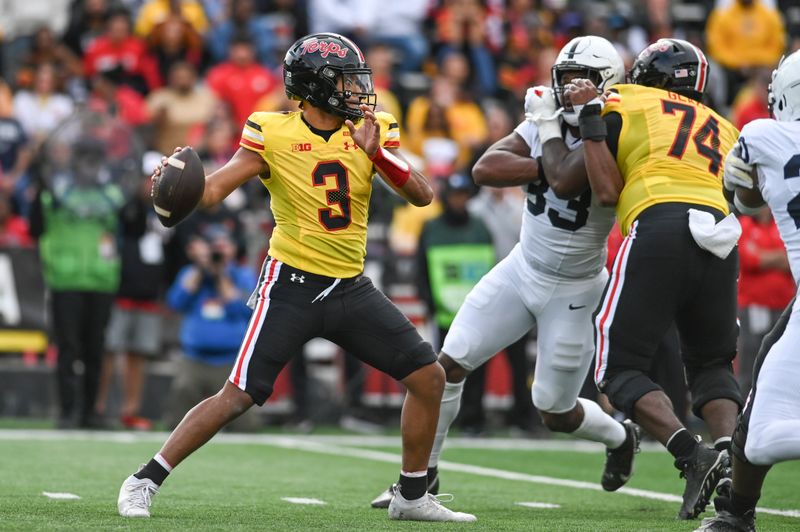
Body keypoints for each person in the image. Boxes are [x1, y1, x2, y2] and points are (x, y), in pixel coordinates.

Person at [117, 32, 475, 523]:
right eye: (346, 80)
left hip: (350, 286)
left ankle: (411, 496)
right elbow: (214, 191)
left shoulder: (373, 129)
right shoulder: (273, 131)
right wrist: (177, 184)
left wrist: (378, 155)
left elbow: (422, 195)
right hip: (291, 286)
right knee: (238, 395)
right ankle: (144, 480)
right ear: (317, 85)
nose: (357, 89)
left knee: (428, 378)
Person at [371, 36, 641, 510]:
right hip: (523, 267)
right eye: (565, 77)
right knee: (446, 366)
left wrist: (544, 147)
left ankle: (620, 436)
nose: (571, 88)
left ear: (608, 83)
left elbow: (563, 178)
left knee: (554, 410)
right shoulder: (544, 122)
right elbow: (485, 168)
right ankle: (421, 479)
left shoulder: (613, 132)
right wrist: (539, 153)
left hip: (574, 288)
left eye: (583, 79)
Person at [542, 38, 743, 519]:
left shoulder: (627, 100)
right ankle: (730, 458)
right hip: (721, 232)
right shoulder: (727, 127)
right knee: (713, 362)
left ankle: (691, 456)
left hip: (660, 224)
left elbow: (600, 189)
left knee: (618, 367)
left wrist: (583, 119)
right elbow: (744, 195)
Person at [695, 49, 800, 532]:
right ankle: (737, 512)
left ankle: (737, 512)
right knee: (760, 427)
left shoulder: (761, 133)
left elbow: (744, 197)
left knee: (761, 430)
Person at [29, 136, 124, 429]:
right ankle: (68, 411)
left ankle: (90, 411)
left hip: (101, 280)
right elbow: (36, 227)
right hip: (65, 279)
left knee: (95, 348)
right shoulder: (57, 192)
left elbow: (131, 226)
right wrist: (40, 188)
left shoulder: (111, 195)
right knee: (68, 347)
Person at [415, 174, 495, 435]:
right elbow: (421, 268)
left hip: (476, 312)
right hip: (443, 313)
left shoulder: (481, 227)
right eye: (455, 196)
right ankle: (448, 419)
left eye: (463, 196)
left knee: (475, 369)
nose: (459, 201)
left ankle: (474, 418)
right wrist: (427, 300)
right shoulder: (432, 228)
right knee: (445, 371)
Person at [163, 227, 261, 432]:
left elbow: (244, 310)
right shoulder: (192, 274)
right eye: (214, 247)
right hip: (194, 359)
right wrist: (201, 269)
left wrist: (221, 275)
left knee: (246, 426)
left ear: (234, 250)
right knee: (180, 406)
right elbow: (175, 302)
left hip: (230, 362)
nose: (219, 252)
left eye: (224, 247)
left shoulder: (242, 275)